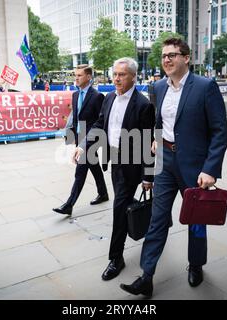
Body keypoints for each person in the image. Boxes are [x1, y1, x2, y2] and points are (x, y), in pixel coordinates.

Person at [120, 38, 227, 297]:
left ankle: (196, 264)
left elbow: (219, 132)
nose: (166, 60)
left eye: (172, 55)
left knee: (197, 220)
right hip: (166, 163)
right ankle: (146, 275)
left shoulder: (205, 87)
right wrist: (158, 142)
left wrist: (210, 168)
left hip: (195, 166)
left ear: (186, 58)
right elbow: (159, 122)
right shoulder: (158, 87)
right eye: (163, 56)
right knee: (157, 219)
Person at [74, 57, 155, 281]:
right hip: (116, 162)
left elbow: (149, 142)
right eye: (115, 74)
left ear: (133, 77)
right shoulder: (109, 97)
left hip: (133, 164)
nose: (116, 79)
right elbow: (100, 124)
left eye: (122, 75)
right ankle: (154, 230)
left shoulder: (143, 104)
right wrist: (83, 146)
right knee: (126, 205)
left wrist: (148, 175)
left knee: (119, 209)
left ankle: (115, 258)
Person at [53, 65, 109, 216]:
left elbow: (101, 120)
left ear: (89, 77)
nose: (76, 78)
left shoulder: (97, 96)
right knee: (94, 166)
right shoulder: (75, 95)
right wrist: (71, 137)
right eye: (75, 75)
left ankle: (69, 205)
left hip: (91, 139)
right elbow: (76, 119)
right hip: (80, 137)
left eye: (79, 75)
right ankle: (103, 193)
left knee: (80, 171)